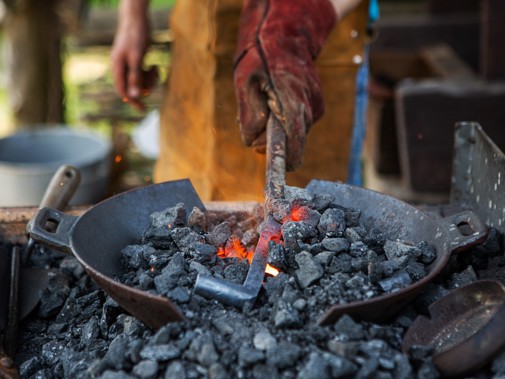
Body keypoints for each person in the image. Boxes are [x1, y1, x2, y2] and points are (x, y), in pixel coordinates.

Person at [111, 0, 369, 202]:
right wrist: (132, 15)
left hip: (324, 32)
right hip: (202, 39)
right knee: (183, 217)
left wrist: (295, 25)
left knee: (316, 222)